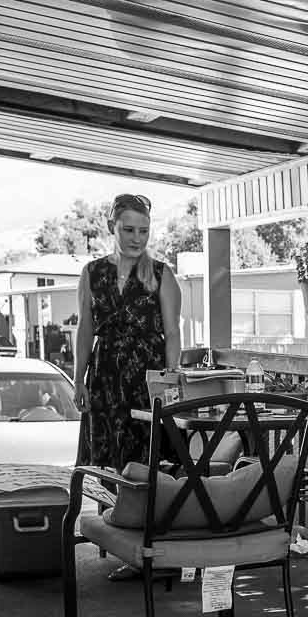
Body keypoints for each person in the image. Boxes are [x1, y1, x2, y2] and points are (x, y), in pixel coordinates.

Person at [73, 193, 182, 578]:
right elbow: (85, 329)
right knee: (109, 463)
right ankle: (121, 546)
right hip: (104, 378)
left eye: (144, 230)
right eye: (128, 229)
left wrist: (169, 387)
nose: (137, 238)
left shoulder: (162, 275)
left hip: (147, 380)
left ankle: (149, 554)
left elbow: (172, 334)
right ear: (112, 228)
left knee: (145, 466)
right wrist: (78, 378)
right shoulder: (92, 273)